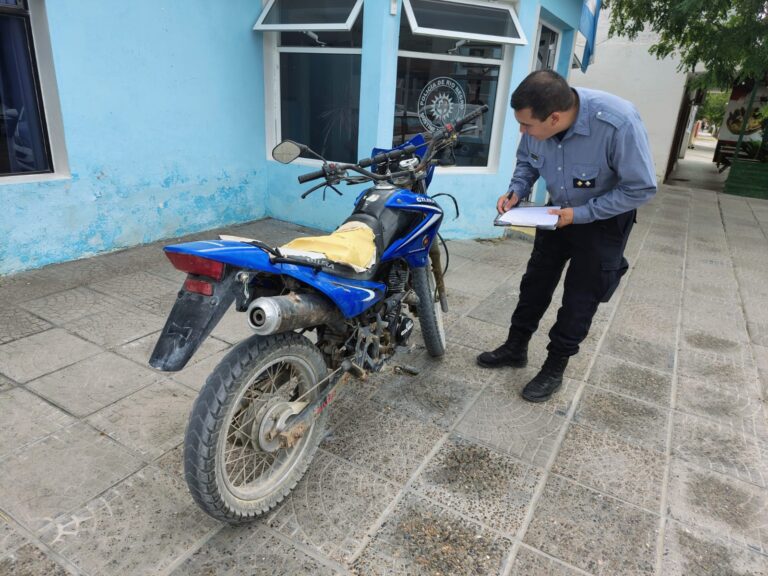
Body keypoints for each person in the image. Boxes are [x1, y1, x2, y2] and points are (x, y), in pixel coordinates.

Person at [477, 70, 656, 402]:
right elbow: (527, 162)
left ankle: (554, 367)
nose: (523, 131)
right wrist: (517, 190)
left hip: (604, 221)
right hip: (555, 214)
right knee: (534, 284)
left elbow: (641, 188)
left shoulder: (619, 123)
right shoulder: (537, 118)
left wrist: (582, 214)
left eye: (528, 126)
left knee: (579, 299)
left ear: (555, 118)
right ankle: (516, 347)